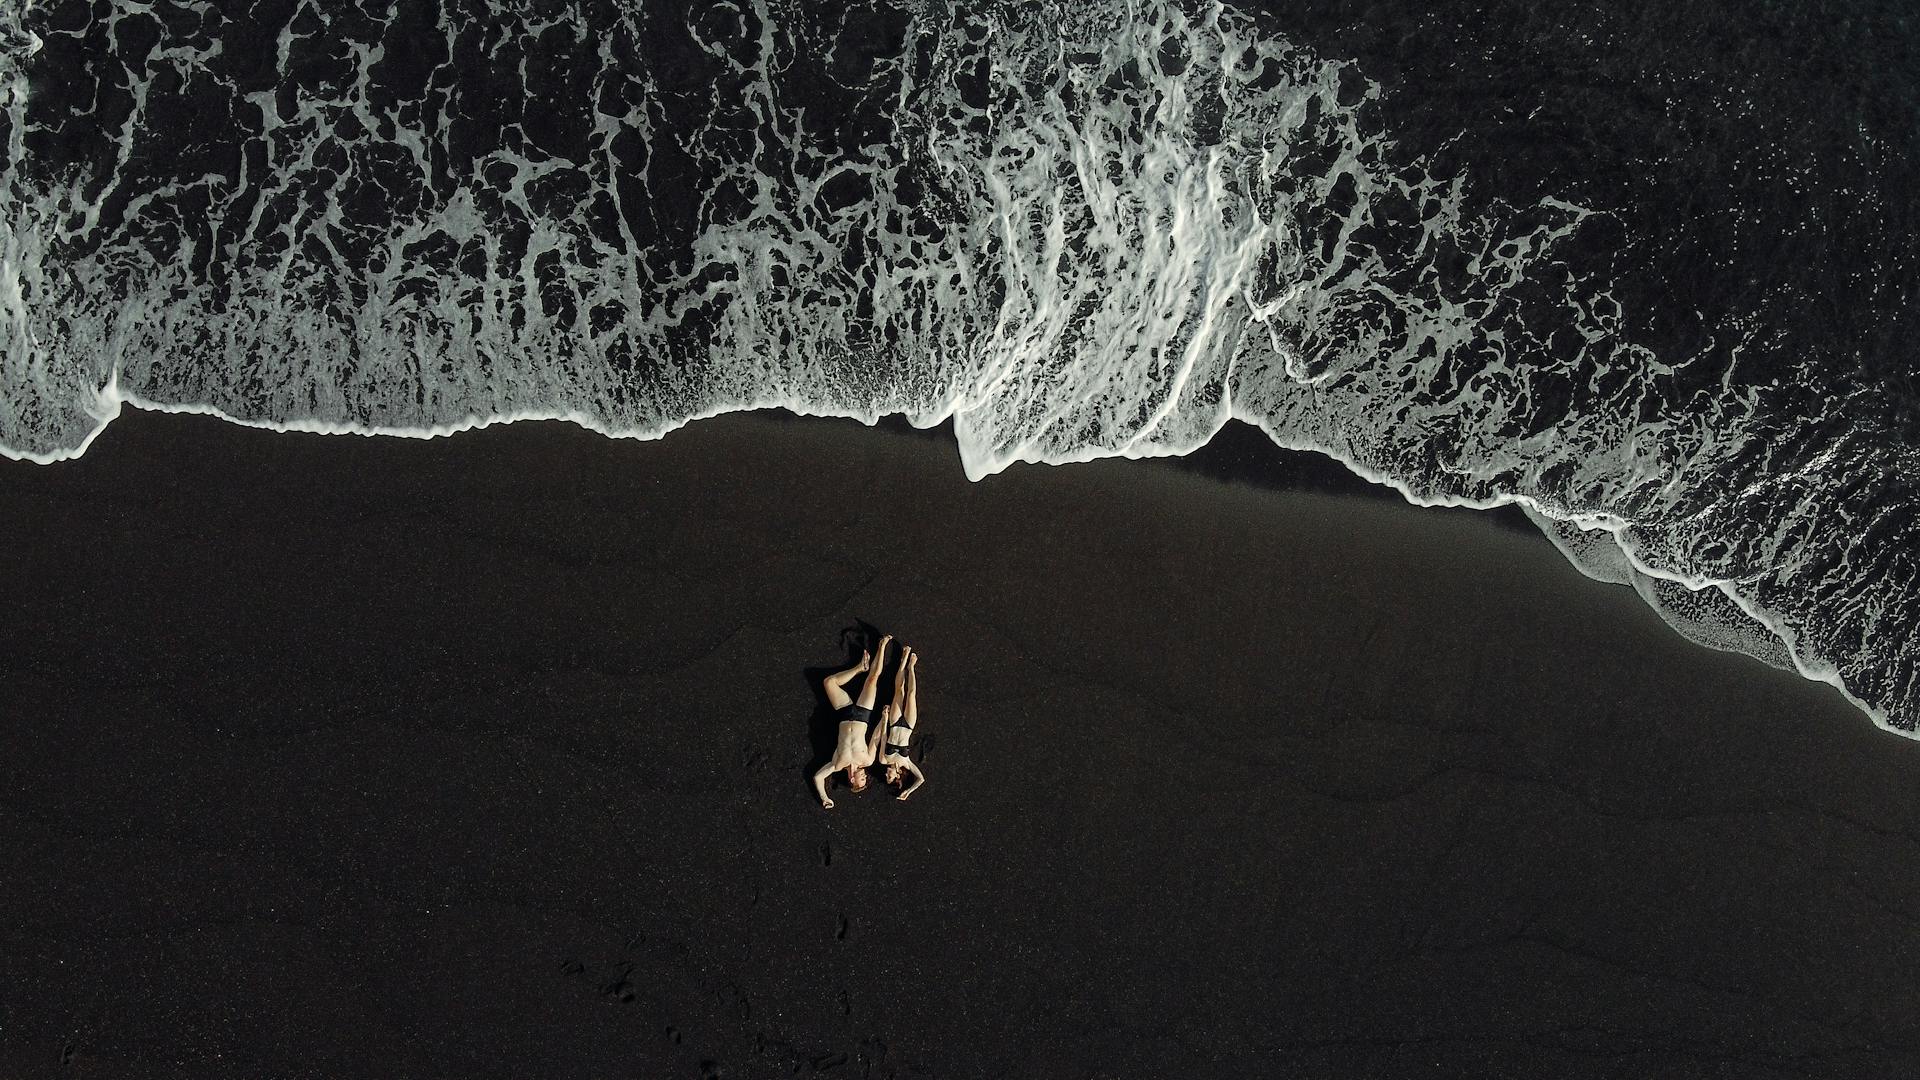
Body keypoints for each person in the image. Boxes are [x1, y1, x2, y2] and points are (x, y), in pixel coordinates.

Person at [813, 634, 891, 810]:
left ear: (852, 780)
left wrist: (825, 798)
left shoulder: (837, 764)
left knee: (829, 682)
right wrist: (884, 718)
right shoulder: (868, 760)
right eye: (865, 778)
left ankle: (858, 668)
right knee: (872, 679)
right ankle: (882, 646)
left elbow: (818, 778)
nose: (865, 776)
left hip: (844, 713)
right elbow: (876, 738)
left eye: (862, 779)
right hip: (863, 716)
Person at [880, 649, 926, 800]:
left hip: (893, 723)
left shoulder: (883, 759)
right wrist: (908, 791)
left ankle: (903, 661)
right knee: (911, 694)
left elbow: (883, 738)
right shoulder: (906, 763)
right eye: (889, 777)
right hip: (908, 725)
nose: (887, 773)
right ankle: (911, 667)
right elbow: (921, 779)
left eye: (886, 776)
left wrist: (885, 719)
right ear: (898, 777)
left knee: (899, 691)